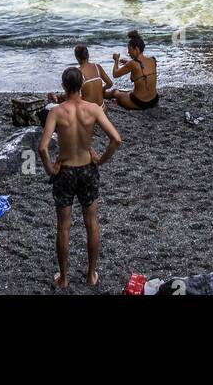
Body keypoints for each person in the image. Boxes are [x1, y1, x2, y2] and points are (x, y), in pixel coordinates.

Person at [38, 66, 122, 289]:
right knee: (91, 223)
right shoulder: (93, 109)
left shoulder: (56, 111)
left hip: (65, 171)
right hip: (87, 168)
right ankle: (91, 275)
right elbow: (116, 139)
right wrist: (100, 160)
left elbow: (43, 147)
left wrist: (49, 169)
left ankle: (64, 278)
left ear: (64, 86)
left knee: (63, 226)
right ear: (82, 84)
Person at [107, 31, 159, 111]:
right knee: (128, 91)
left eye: (130, 49)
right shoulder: (152, 60)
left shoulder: (132, 64)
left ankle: (102, 95)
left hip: (140, 102)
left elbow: (115, 74)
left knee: (115, 92)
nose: (128, 52)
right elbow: (142, 67)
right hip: (154, 100)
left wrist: (116, 60)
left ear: (136, 49)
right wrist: (128, 62)